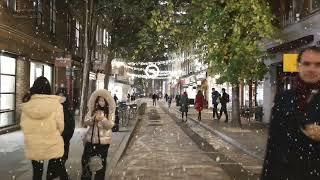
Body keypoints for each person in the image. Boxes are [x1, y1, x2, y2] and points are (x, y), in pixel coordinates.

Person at [261, 46, 320, 180]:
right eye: (306, 63)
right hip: (285, 173)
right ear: (298, 66)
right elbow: (273, 145)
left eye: (317, 64)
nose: (311, 68)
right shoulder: (284, 98)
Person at [20, 76, 68, 180]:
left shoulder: (27, 104)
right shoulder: (56, 104)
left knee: (37, 174)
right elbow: (61, 126)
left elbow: (24, 126)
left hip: (35, 145)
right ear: (48, 89)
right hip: (52, 144)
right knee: (61, 172)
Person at [81, 89, 116, 180]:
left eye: (103, 100)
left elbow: (110, 125)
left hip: (103, 143)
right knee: (85, 161)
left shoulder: (110, 112)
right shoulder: (92, 111)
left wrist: (103, 119)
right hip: (90, 141)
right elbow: (86, 121)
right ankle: (86, 177)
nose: (101, 102)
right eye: (99, 100)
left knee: (100, 165)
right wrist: (93, 119)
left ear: (106, 101)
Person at [46, 88, 75, 179]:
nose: (60, 97)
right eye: (59, 95)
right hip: (53, 142)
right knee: (54, 163)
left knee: (59, 162)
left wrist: (64, 137)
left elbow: (71, 127)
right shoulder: (52, 109)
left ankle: (61, 177)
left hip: (63, 142)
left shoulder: (68, 110)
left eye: (62, 95)